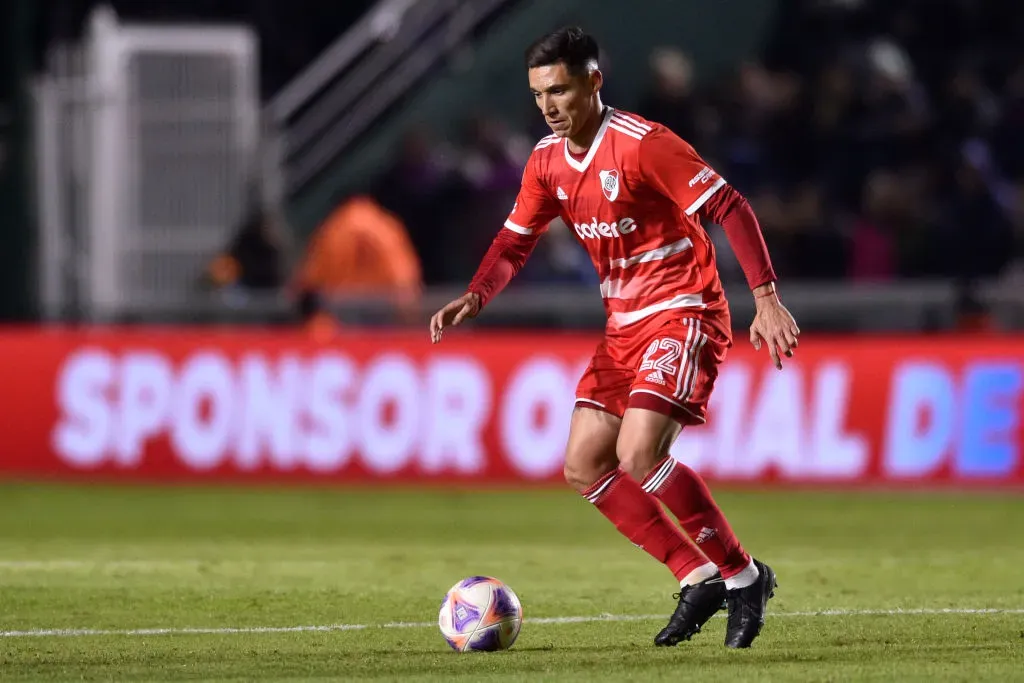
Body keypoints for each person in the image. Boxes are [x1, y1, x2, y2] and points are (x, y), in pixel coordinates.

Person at [429, 27, 800, 649]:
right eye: (538, 94)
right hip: (622, 327)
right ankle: (697, 576)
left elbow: (731, 206)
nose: (548, 106)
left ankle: (744, 577)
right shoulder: (546, 161)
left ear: (594, 82)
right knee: (584, 465)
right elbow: (515, 241)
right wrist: (477, 293)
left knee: (639, 453)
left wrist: (765, 298)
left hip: (683, 311)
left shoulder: (644, 145)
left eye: (559, 90)